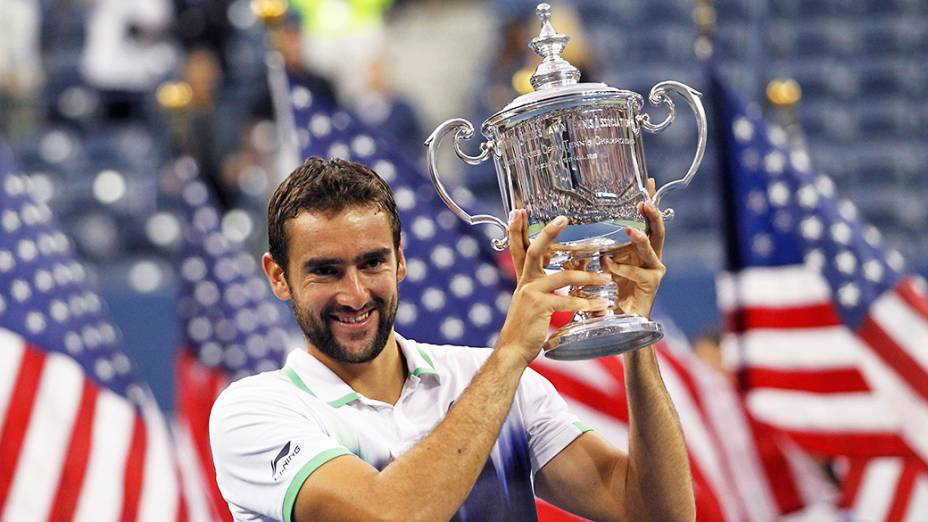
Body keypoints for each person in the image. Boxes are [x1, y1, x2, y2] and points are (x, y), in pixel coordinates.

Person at [209, 157, 695, 521]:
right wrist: (508, 358)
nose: (354, 293)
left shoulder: (498, 382)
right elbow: (391, 516)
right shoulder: (254, 412)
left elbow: (657, 513)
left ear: (400, 260)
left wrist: (632, 334)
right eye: (325, 271)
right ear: (277, 276)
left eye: (372, 263)